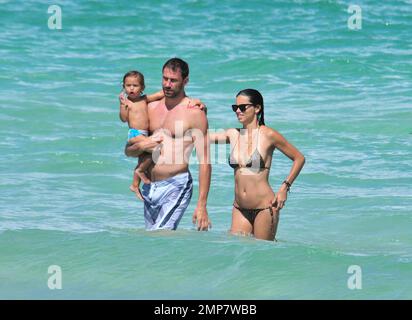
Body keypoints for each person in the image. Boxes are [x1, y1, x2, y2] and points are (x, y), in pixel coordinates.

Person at [125, 58, 211, 231]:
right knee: (154, 243)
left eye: (173, 80)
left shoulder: (194, 113)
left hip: (177, 185)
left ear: (185, 81)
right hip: (149, 186)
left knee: (160, 234)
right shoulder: (149, 108)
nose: (167, 84)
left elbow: (205, 162)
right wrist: (143, 146)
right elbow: (129, 151)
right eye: (164, 79)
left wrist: (202, 205)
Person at [210, 89, 305, 241]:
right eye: (235, 108)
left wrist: (284, 188)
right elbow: (201, 136)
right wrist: (198, 110)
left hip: (265, 207)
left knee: (264, 255)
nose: (238, 111)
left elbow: (299, 158)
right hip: (239, 208)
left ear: (257, 108)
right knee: (238, 253)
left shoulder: (268, 135)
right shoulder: (233, 134)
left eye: (242, 107)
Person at [119, 70, 164, 194]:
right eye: (128, 86)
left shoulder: (144, 99)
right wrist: (123, 106)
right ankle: (139, 171)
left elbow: (160, 94)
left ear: (142, 87)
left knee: (148, 157)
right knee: (157, 147)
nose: (131, 89)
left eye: (135, 85)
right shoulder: (126, 102)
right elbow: (123, 119)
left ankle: (135, 184)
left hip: (145, 134)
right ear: (123, 87)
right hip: (134, 133)